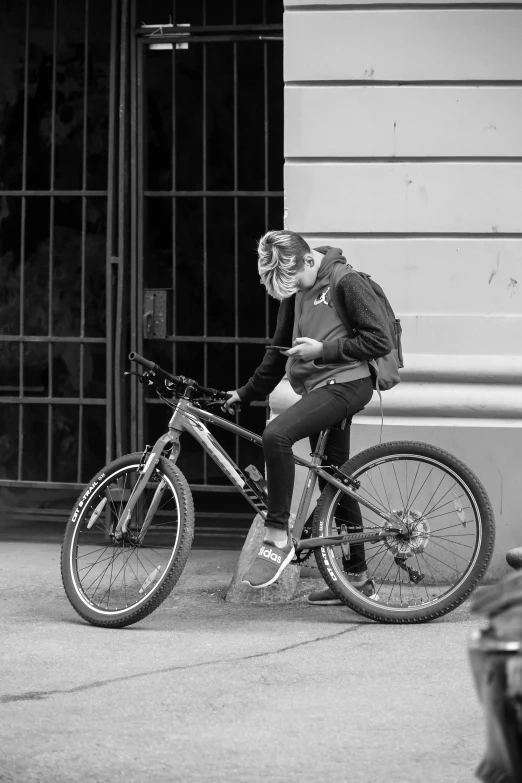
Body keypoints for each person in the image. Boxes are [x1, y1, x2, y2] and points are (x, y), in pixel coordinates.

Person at [224, 230, 391, 601]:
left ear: (309, 260)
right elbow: (277, 352)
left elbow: (379, 341)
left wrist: (323, 349)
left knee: (277, 435)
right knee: (334, 481)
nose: (294, 289)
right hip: (322, 389)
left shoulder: (345, 282)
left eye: (296, 280)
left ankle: (277, 537)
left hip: (348, 383)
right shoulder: (296, 290)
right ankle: (358, 580)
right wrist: (247, 392)